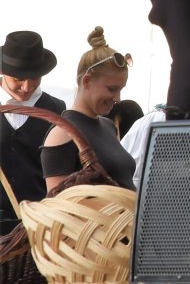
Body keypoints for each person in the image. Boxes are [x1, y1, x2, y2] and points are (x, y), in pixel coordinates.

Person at [40, 29, 138, 192]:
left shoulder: (108, 126)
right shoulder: (63, 133)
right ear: (87, 81)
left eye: (121, 89)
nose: (117, 98)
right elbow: (58, 209)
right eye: (112, 89)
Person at [1, 31, 64, 233]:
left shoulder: (56, 109)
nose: (27, 87)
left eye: (34, 78)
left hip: (40, 227)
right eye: (19, 79)